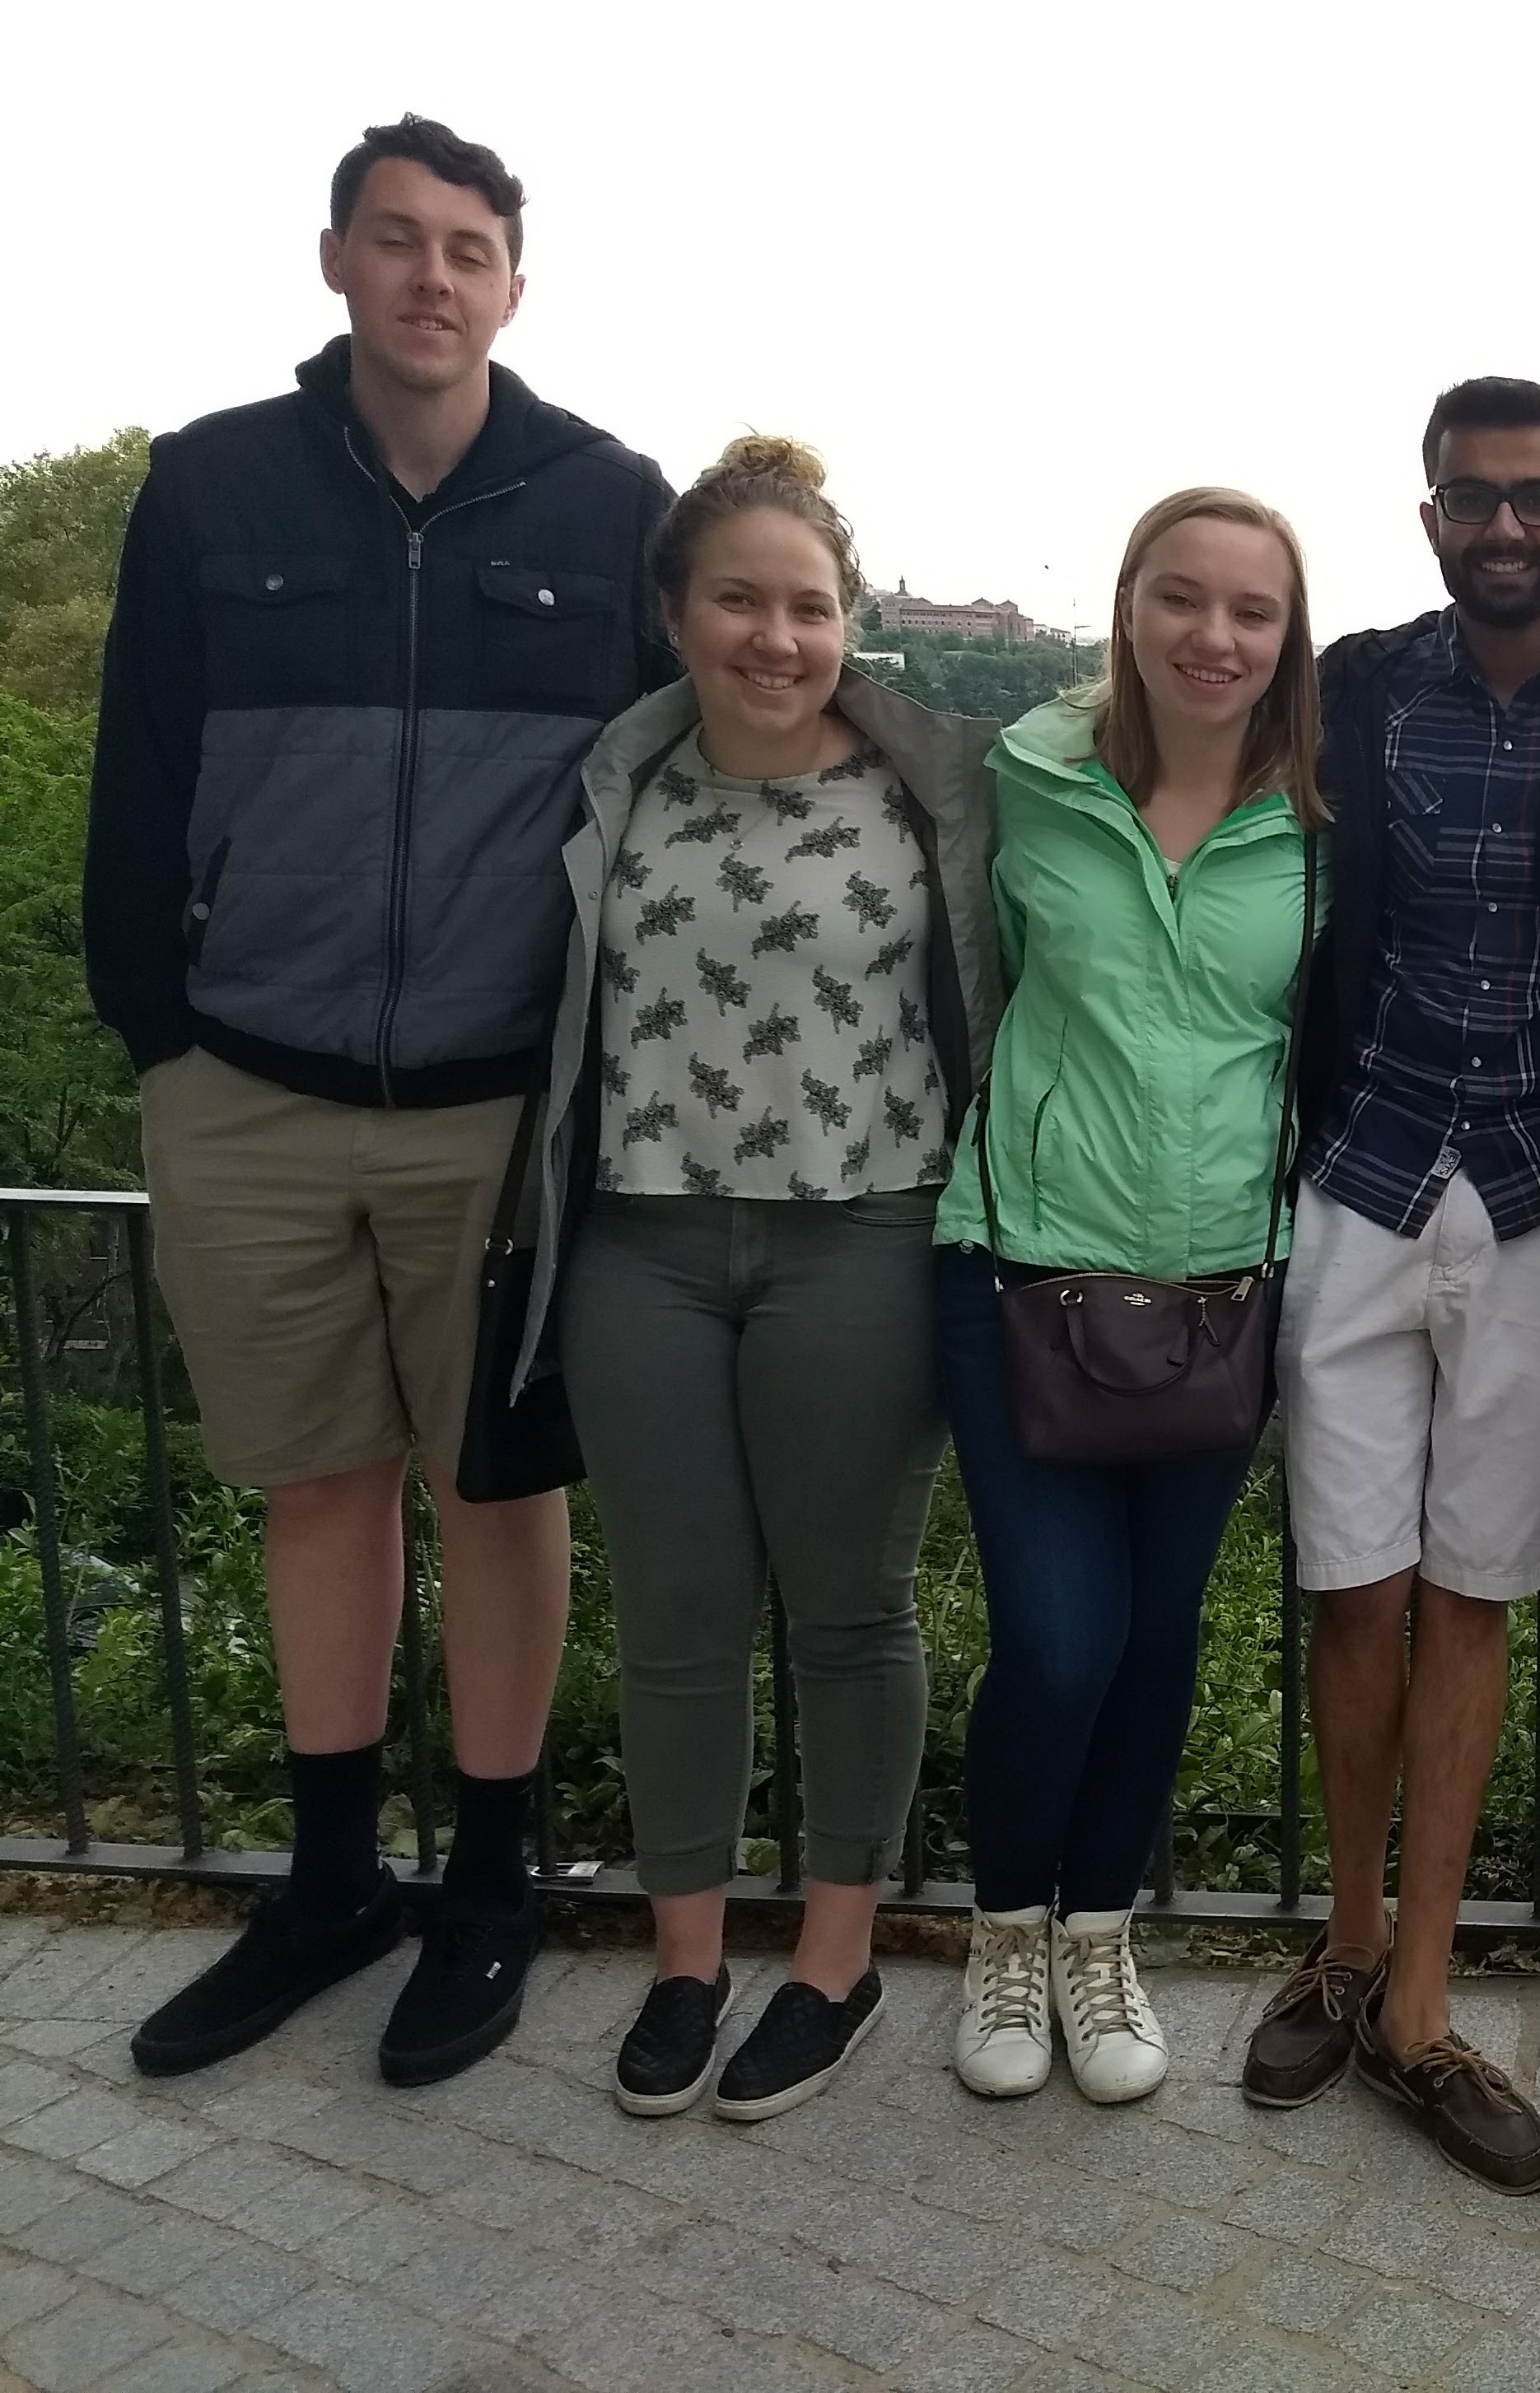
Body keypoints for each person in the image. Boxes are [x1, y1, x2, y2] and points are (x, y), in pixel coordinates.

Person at [84, 116, 674, 2087]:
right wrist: (159, 1031)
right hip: (245, 1084)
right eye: (400, 242)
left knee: (494, 1496)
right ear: (335, 260)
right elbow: (138, 774)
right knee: (317, 1487)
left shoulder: (610, 509)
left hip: (501, 1113)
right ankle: (330, 1882)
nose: (434, 278)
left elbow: (674, 793)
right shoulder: (210, 485)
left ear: (517, 282)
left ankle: (491, 1887)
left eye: (471, 249)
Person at [516, 439, 996, 2120]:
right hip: (641, 1240)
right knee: (680, 1619)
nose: (776, 637)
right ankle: (686, 1959)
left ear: (850, 621)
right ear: (676, 612)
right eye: (742, 599)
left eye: (809, 605)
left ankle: (838, 1959)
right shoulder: (612, 786)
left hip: (860, 1231)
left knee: (850, 1611)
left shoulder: (940, 791)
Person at [1241, 381, 1540, 2190]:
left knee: (1477, 1595)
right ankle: (1342, 1951)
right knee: (1354, 1589)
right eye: (1475, 499)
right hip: (1359, 1173)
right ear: (1427, 515)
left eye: (1539, 498)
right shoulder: (1352, 688)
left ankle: (1420, 2004)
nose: (1508, 527)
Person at [938, 488, 1323, 2106]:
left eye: (1252, 610)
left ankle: (1100, 1935)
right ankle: (1003, 1931)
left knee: (1156, 1638)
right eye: (1185, 598)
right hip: (1022, 1269)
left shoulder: (1319, 817)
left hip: (1226, 1293)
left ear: (1287, 637)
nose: (1215, 637)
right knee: (1056, 1637)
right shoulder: (1020, 777)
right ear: (1129, 605)